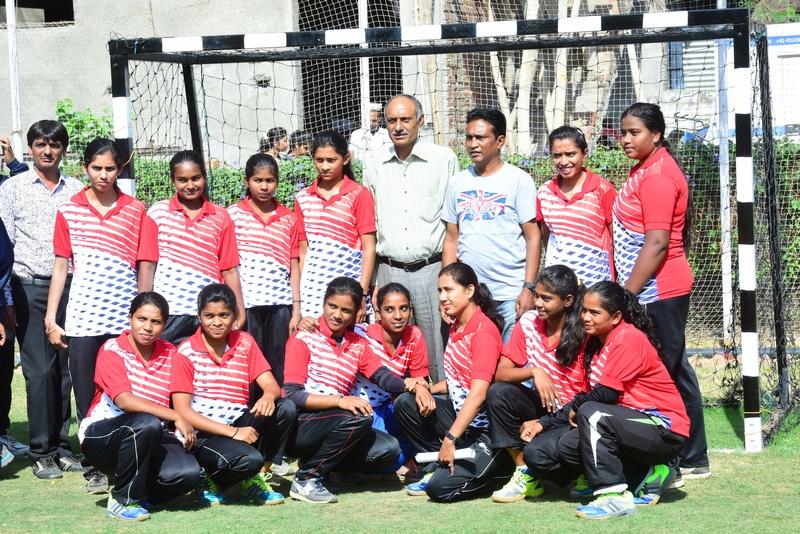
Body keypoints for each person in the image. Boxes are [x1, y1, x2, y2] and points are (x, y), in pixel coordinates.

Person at [45, 138, 158, 493]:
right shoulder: (68, 210)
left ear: (120, 169)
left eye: (110, 168)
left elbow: (145, 266)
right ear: (85, 168)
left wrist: (141, 314)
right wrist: (51, 318)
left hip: (123, 321)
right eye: (97, 168)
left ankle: (126, 458)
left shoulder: (136, 210)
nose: (104, 175)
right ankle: (93, 466)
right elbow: (61, 267)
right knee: (85, 395)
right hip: (82, 320)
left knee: (127, 392)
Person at [523, 281, 689, 519]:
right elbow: (587, 396)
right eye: (584, 310)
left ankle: (614, 496)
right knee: (554, 448)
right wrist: (544, 423)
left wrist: (578, 408)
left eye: (594, 312)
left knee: (593, 413)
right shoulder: (595, 343)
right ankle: (647, 475)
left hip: (663, 428)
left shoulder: (628, 338)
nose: (585, 317)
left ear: (616, 317)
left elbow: (605, 395)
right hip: (623, 425)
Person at [615, 102, 708, 480]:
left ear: (655, 135)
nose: (625, 139)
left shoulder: (658, 176)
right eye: (623, 132)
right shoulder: (645, 168)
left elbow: (657, 242)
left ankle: (669, 461)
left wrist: (627, 294)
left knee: (660, 376)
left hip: (659, 290)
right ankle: (694, 457)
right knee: (676, 370)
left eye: (634, 132)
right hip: (651, 290)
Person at [0, 120, 84, 479]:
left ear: (64, 149)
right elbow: (3, 247)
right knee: (38, 371)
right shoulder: (12, 188)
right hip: (28, 287)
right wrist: (6, 299)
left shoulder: (77, 190)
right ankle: (41, 451)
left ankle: (62, 447)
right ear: (30, 148)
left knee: (65, 371)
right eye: (40, 144)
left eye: (54, 144)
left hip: (70, 287)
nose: (47, 151)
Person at [283, 277, 414, 504]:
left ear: (355, 314)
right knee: (359, 417)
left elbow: (382, 376)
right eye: (332, 306)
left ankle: (321, 465)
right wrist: (339, 400)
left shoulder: (358, 344)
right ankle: (306, 479)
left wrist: (411, 385)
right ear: (323, 303)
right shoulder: (302, 338)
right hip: (303, 424)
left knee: (389, 449)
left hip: (337, 421)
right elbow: (293, 394)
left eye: (346, 310)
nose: (337, 315)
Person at [394, 262, 514, 502]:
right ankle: (438, 462)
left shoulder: (483, 332)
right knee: (406, 402)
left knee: (440, 489)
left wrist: (449, 439)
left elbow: (478, 394)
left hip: (485, 431)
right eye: (440, 291)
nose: (442, 297)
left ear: (469, 291)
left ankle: (499, 471)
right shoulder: (456, 325)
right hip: (462, 424)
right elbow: (459, 380)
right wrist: (426, 388)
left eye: (449, 290)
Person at [79, 292, 201, 522]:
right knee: (146, 423)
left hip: (151, 435)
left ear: (165, 324)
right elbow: (125, 401)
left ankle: (141, 494)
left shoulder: (172, 354)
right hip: (102, 437)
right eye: (141, 319)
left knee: (188, 474)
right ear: (130, 318)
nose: (147, 327)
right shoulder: (112, 349)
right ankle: (122, 499)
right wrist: (176, 416)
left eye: (156, 321)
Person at [363, 94, 459, 382]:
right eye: (391, 120)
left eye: (405, 119)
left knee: (437, 348)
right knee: (391, 351)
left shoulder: (443, 159)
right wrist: (375, 280)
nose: (398, 127)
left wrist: (448, 280)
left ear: (421, 121)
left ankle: (442, 404)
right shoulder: (374, 162)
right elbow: (370, 226)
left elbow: (454, 223)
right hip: (389, 271)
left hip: (431, 271)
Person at [171, 283, 295, 506]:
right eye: (209, 316)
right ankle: (206, 478)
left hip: (238, 421)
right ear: (199, 317)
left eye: (224, 315)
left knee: (284, 407)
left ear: (235, 316)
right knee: (249, 460)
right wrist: (234, 432)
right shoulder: (186, 351)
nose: (217, 322)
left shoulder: (245, 341)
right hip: (203, 434)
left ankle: (255, 479)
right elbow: (183, 411)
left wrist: (268, 395)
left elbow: (272, 385)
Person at [295, 282, 433, 478]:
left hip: (388, 407)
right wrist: (306, 322)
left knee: (418, 413)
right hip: (359, 410)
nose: (397, 316)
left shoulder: (414, 335)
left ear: (411, 309)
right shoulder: (360, 334)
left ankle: (419, 461)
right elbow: (334, 320)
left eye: (403, 308)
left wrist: (418, 386)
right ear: (377, 312)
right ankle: (335, 465)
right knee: (389, 453)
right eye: (389, 309)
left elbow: (407, 379)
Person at [486, 265, 586, 503]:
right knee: (498, 393)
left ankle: (587, 471)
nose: (538, 303)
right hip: (547, 407)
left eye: (546, 298)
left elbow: (591, 395)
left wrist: (544, 423)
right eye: (537, 295)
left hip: (576, 414)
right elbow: (499, 372)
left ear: (568, 300)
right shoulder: (529, 322)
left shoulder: (585, 330)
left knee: (541, 450)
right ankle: (525, 473)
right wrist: (534, 371)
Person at [442, 108, 540, 342]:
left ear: (500, 141)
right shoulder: (457, 182)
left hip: (509, 295)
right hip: (470, 296)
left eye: (480, 137)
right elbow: (451, 239)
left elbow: (533, 237)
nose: (472, 144)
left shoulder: (519, 181)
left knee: (509, 361)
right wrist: (448, 290)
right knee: (473, 359)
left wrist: (528, 287)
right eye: (469, 137)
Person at [147, 150, 245, 345]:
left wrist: (239, 309)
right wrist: (144, 305)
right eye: (182, 180)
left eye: (196, 178)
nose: (190, 185)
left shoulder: (221, 216)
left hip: (209, 312)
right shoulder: (157, 213)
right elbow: (148, 266)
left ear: (204, 177)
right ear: (172, 180)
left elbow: (229, 269)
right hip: (170, 312)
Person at [227, 154, 300, 385]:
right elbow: (227, 265)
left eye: (270, 180)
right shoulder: (232, 215)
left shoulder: (288, 218)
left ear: (277, 181)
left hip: (280, 305)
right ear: (247, 181)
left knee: (279, 366)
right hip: (248, 306)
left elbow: (294, 265)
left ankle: (279, 406)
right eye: (258, 180)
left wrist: (296, 309)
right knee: (248, 366)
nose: (264, 186)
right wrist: (235, 307)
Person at [294, 130, 376, 322]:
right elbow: (304, 252)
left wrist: (362, 294)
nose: (324, 166)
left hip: (349, 291)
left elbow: (369, 247)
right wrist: (300, 298)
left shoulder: (359, 194)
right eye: (319, 160)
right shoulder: (303, 198)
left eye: (331, 160)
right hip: (313, 295)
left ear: (345, 159)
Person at [537, 126, 616, 286]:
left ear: (584, 153)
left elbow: (615, 238)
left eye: (570, 154)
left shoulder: (602, 189)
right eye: (557, 155)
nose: (563, 162)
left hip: (595, 283)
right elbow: (546, 236)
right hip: (558, 286)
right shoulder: (544, 193)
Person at [0, 135, 29, 459]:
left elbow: (29, 186)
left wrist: (12, 160)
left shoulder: (4, 186)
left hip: (5, 292)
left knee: (4, 367)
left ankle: (2, 431)